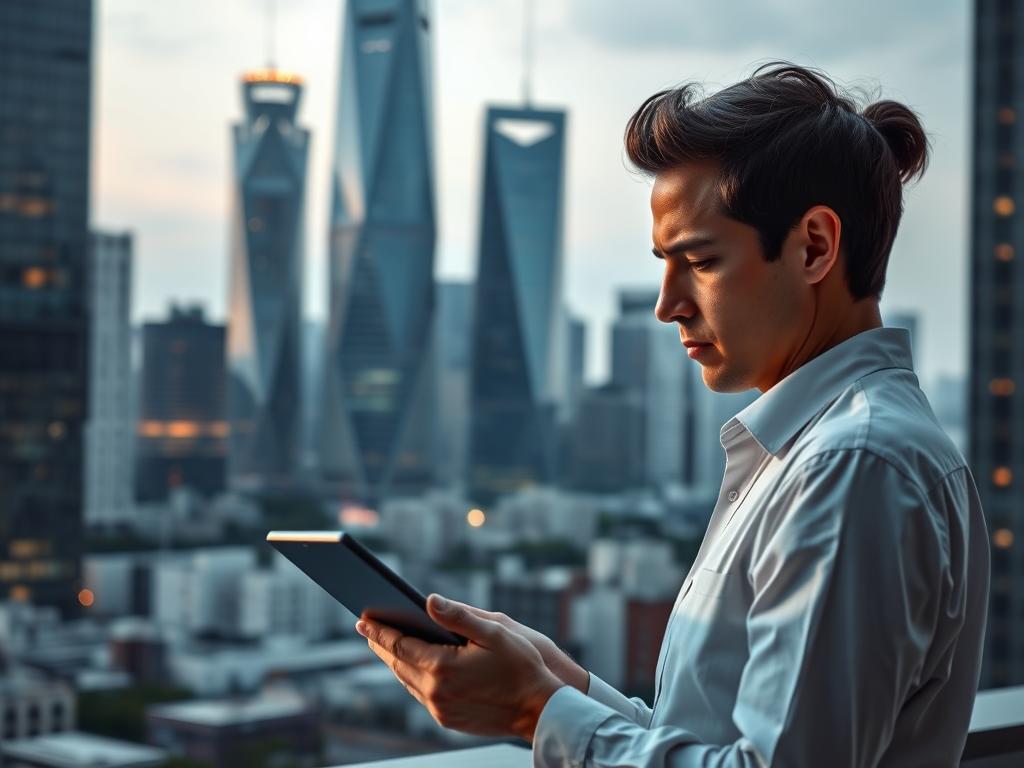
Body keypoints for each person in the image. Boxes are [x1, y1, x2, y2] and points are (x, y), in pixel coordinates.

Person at [354, 62, 990, 767]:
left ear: (814, 245)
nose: (668, 304)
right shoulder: (815, 451)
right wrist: (562, 683)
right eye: (664, 263)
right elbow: (717, 739)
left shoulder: (853, 466)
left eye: (701, 261)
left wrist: (535, 708)